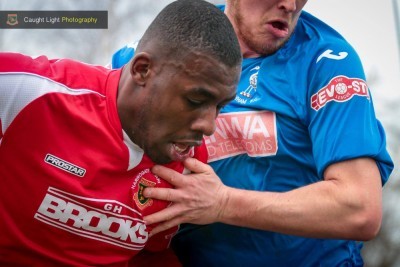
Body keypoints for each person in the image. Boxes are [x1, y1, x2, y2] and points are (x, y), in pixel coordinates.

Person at [111, 0, 394, 266]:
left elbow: (360, 209)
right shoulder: (165, 46)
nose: (290, 5)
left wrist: (223, 203)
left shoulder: (326, 60)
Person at [0, 0, 242, 266]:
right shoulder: (29, 91)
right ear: (142, 70)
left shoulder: (189, 162)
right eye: (195, 100)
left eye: (219, 107)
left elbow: (152, 255)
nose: (209, 126)